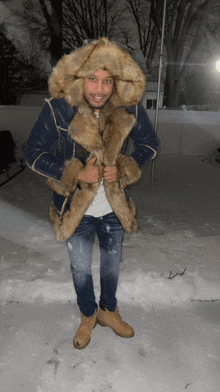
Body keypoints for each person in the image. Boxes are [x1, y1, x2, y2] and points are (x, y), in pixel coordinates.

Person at [24, 37, 159, 350]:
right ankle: (88, 315)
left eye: (107, 81)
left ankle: (108, 311)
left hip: (113, 205)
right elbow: (33, 153)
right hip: (75, 207)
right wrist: (73, 172)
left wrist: (125, 167)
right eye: (92, 79)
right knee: (81, 268)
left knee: (112, 264)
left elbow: (149, 143)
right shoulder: (58, 110)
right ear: (79, 77)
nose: (99, 89)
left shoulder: (128, 107)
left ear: (116, 81)